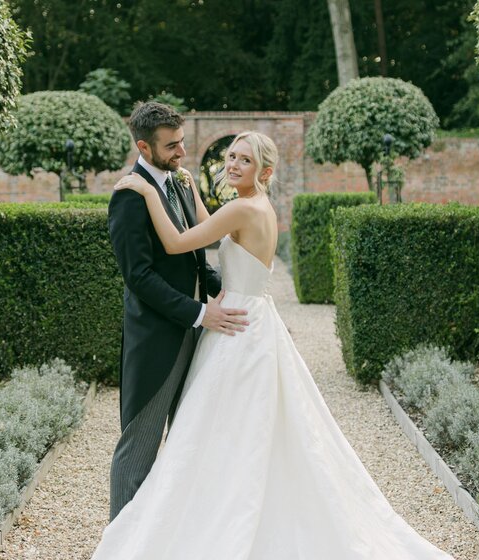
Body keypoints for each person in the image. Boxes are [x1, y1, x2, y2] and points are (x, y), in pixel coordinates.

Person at [92, 130, 455, 559]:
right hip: (252, 318)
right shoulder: (253, 207)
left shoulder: (242, 209)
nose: (232, 165)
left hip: (235, 329)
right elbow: (208, 226)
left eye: (244, 160)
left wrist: (145, 190)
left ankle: (211, 521)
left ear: (264, 171)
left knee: (223, 430)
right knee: (246, 427)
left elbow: (176, 242)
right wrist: (186, 190)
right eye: (230, 157)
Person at [106, 101, 250, 522]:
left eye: (182, 142)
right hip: (156, 340)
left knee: (191, 443)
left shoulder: (182, 183)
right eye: (171, 146)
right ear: (143, 147)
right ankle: (120, 546)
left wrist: (235, 294)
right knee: (137, 449)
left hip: (197, 334)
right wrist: (200, 313)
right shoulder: (129, 195)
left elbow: (195, 259)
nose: (182, 153)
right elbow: (140, 278)